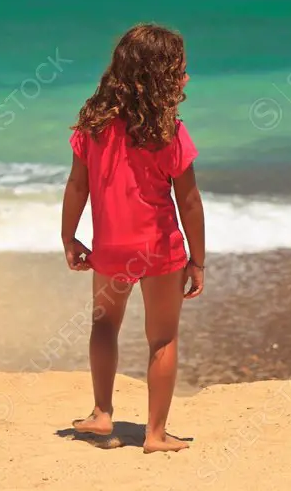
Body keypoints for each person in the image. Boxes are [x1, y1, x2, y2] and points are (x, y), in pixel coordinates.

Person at [61, 23, 206, 453]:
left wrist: (69, 237)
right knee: (162, 338)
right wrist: (197, 260)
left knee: (105, 325)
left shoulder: (93, 126)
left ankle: (102, 414)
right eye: (181, 70)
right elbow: (191, 202)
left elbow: (76, 187)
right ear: (163, 76)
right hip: (160, 250)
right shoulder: (169, 131)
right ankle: (156, 434)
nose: (187, 77)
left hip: (110, 250)